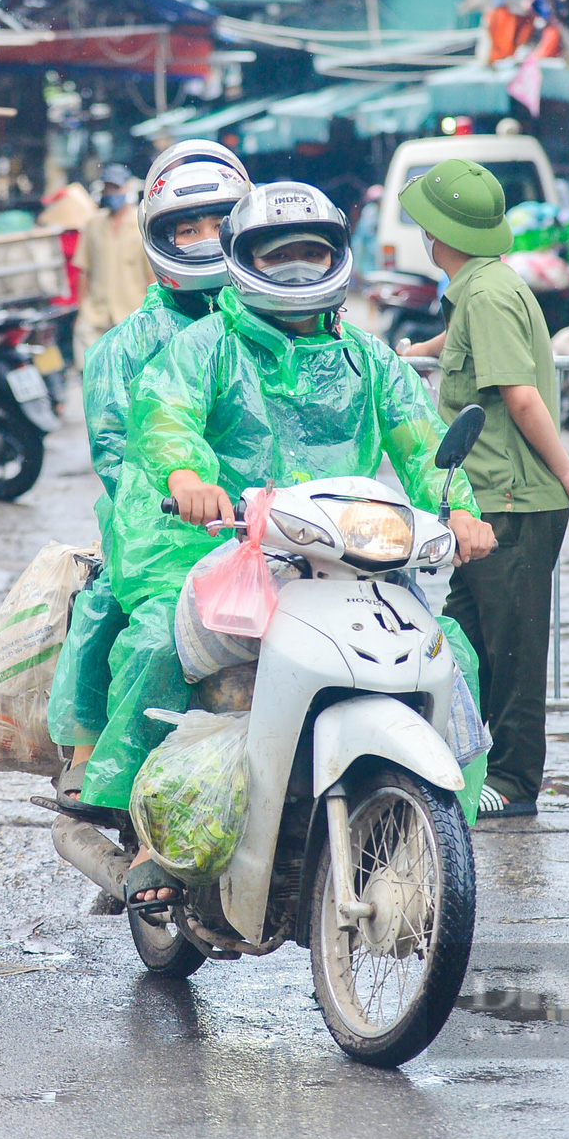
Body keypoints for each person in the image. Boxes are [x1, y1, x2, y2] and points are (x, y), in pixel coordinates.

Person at [94, 181, 498, 907]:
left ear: (339, 256)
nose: (297, 270)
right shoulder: (206, 344)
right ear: (243, 259)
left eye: (312, 253)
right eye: (279, 255)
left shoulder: (368, 357)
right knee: (158, 642)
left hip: (348, 557)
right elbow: (167, 412)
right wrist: (187, 475)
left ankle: (438, 835)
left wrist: (457, 508)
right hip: (238, 554)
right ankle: (144, 836)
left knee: (452, 654)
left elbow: (420, 440)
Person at [47, 140, 252, 814]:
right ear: (157, 237)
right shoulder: (124, 346)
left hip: (266, 523)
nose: (202, 240)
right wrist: (171, 497)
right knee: (120, 609)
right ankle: (93, 756)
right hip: (163, 521)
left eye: (216, 224)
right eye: (185, 229)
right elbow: (116, 455)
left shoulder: (276, 325)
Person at [399, 160, 569, 817]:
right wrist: (406, 355)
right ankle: (453, 760)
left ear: (439, 235)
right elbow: (457, 344)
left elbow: (519, 396)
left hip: (513, 500)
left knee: (511, 650)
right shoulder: (480, 289)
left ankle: (514, 781)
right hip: (486, 503)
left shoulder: (483, 295)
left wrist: (568, 466)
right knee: (462, 639)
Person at [71, 163, 152, 365]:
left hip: (133, 315)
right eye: (107, 188)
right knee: (92, 374)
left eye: (116, 188)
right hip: (95, 316)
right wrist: (82, 309)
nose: (111, 193)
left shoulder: (142, 222)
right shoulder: (93, 224)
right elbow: (84, 271)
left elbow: (151, 276)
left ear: (127, 189)